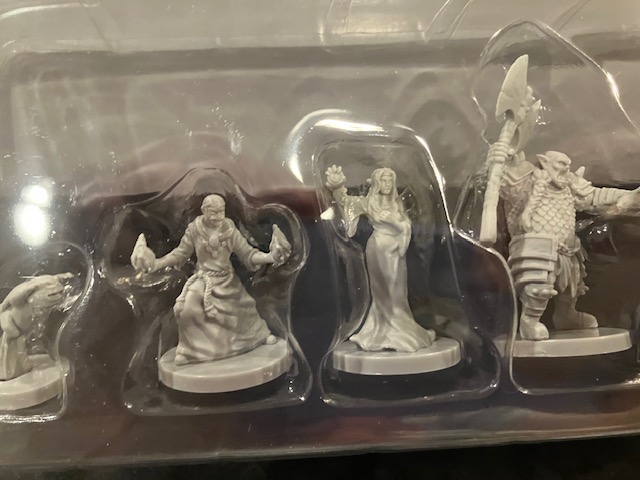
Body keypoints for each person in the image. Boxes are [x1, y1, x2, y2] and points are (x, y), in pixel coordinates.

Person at [492, 146, 640, 340]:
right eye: (561, 164)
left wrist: (626, 196)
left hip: (567, 246)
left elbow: (594, 197)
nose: (565, 168)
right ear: (545, 162)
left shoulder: (569, 184)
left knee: (572, 284)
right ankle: (530, 319)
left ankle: (565, 315)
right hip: (537, 243)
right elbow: (503, 185)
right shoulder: (526, 181)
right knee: (538, 284)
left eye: (567, 165)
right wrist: (499, 161)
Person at [131, 194, 291, 365]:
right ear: (204, 210)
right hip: (203, 279)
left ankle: (257, 337)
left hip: (227, 280)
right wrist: (157, 263)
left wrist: (270, 257)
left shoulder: (229, 228)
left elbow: (247, 253)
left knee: (242, 309)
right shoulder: (195, 229)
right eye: (213, 212)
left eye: (221, 212)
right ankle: (189, 350)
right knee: (186, 310)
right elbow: (180, 253)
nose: (217, 216)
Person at [325, 165, 436, 352]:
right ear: (377, 183)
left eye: (390, 180)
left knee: (398, 291)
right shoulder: (370, 203)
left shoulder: (396, 204)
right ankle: (384, 328)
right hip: (378, 248)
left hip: (396, 250)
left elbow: (406, 227)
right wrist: (336, 187)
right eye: (383, 180)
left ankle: (402, 326)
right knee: (383, 289)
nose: (387, 184)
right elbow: (346, 202)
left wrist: (394, 222)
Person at [0, 273, 73, 380]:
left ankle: (19, 367)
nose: (58, 296)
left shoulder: (41, 305)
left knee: (23, 346)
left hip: (26, 330)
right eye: (53, 294)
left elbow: (61, 300)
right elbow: (13, 298)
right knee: (13, 345)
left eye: (60, 293)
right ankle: (10, 371)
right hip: (13, 326)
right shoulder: (21, 302)